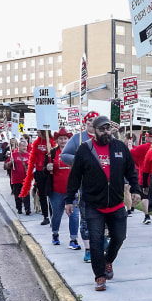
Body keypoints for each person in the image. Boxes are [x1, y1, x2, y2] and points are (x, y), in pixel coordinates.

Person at [65, 115, 142, 291]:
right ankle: (100, 276)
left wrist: (137, 189)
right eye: (102, 129)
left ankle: (108, 261)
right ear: (94, 130)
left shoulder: (120, 147)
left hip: (116, 204)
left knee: (119, 237)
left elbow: (131, 170)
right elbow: (75, 177)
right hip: (93, 205)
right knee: (96, 241)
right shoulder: (85, 149)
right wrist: (69, 200)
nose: (106, 132)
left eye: (108, 128)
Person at [61, 111, 99, 262]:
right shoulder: (79, 138)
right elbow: (64, 155)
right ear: (85, 122)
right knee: (86, 218)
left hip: (105, 185)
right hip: (84, 184)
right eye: (90, 120)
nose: (92, 122)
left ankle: (102, 240)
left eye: (95, 120)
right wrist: (80, 160)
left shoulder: (105, 137)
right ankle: (88, 249)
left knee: (105, 216)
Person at [44, 128, 80, 249]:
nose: (63, 141)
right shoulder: (51, 153)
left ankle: (73, 239)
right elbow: (44, 171)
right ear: (57, 140)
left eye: (65, 138)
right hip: (56, 191)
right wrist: (47, 168)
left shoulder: (75, 152)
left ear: (69, 140)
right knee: (57, 214)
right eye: (61, 138)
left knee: (74, 215)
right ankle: (55, 234)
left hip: (72, 191)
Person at [20, 131, 56, 225]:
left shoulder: (51, 141)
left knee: (50, 194)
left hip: (48, 171)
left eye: (39, 131)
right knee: (42, 195)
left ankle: (53, 216)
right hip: (39, 171)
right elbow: (33, 155)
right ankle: (46, 216)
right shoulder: (37, 142)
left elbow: (54, 155)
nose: (37, 132)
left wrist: (50, 148)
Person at [131, 131, 152, 224]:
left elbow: (131, 154)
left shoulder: (143, 147)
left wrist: (130, 146)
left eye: (146, 136)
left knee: (145, 197)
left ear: (148, 137)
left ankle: (147, 215)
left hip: (144, 175)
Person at [5, 140, 31, 215]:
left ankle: (27, 209)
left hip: (25, 178)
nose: (25, 147)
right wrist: (10, 162)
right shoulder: (14, 155)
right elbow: (5, 166)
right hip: (16, 178)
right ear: (19, 147)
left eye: (26, 146)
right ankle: (19, 208)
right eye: (23, 146)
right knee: (17, 195)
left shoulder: (28, 155)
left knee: (26, 194)